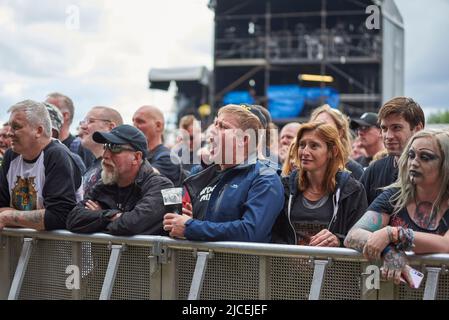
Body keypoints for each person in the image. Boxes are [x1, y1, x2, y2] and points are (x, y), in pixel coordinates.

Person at [163, 104, 284, 242]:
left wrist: (191, 227)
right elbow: (206, 226)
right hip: (202, 263)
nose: (212, 132)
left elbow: (251, 231)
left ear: (244, 140)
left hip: (242, 264)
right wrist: (191, 220)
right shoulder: (204, 175)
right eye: (215, 125)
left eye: (223, 127)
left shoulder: (264, 178)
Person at [345, 130, 449, 285]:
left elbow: (446, 245)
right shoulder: (394, 195)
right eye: (411, 155)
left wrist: (393, 233)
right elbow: (353, 236)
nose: (414, 162)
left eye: (425, 157)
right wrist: (389, 252)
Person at [272, 122, 367, 246]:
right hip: (289, 264)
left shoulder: (352, 190)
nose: (305, 152)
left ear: (332, 151)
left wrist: (339, 240)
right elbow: (273, 232)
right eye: (302, 145)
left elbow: (362, 235)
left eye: (314, 146)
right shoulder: (285, 186)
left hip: (335, 264)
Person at [66, 125, 173, 235]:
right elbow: (73, 219)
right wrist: (110, 216)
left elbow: (132, 225)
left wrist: (97, 217)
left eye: (115, 148)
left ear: (136, 157)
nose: (105, 155)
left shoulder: (162, 186)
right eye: (106, 147)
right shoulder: (104, 184)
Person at [0, 100, 82, 230]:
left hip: (60, 248)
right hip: (23, 247)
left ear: (38, 131)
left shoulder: (57, 155)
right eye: (10, 126)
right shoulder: (11, 156)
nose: (9, 132)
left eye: (16, 127)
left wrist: (8, 217)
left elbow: (60, 216)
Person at [360, 97, 425, 205]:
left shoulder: (436, 172)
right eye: (384, 128)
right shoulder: (373, 171)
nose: (388, 136)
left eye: (396, 128)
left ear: (417, 129)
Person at [132, 105, 183, 186]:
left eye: (140, 121)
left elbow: (142, 178)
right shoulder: (141, 155)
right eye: (133, 122)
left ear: (158, 126)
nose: (134, 126)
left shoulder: (168, 158)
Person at [310, 104, 364, 179]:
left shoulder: (353, 170)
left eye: (325, 125)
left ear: (340, 133)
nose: (318, 129)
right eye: (315, 125)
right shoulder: (305, 162)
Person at [78, 106, 123, 196]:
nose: (83, 127)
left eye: (91, 121)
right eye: (83, 122)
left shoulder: (118, 168)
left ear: (111, 127)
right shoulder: (91, 167)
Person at [45, 92, 95, 168]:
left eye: (49, 111)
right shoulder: (40, 146)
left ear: (65, 115)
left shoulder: (81, 148)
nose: (43, 115)